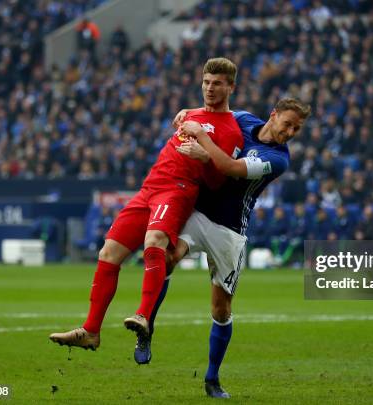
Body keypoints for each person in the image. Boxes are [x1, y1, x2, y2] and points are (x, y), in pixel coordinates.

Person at [49, 58, 244, 352]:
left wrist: (205, 158)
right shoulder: (189, 114)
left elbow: (219, 181)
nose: (210, 88)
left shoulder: (231, 131)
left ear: (231, 87)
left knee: (154, 241)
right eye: (206, 82)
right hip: (149, 187)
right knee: (108, 251)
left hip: (177, 190)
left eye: (217, 83)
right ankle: (90, 330)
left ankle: (143, 316)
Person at [144, 98, 310, 398]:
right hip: (198, 211)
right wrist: (187, 113)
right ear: (273, 115)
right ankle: (147, 325)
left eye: (296, 129)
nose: (290, 132)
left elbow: (230, 167)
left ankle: (212, 378)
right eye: (287, 124)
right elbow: (211, 114)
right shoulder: (244, 119)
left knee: (221, 309)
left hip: (230, 230)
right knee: (167, 257)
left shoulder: (278, 158)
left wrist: (203, 141)